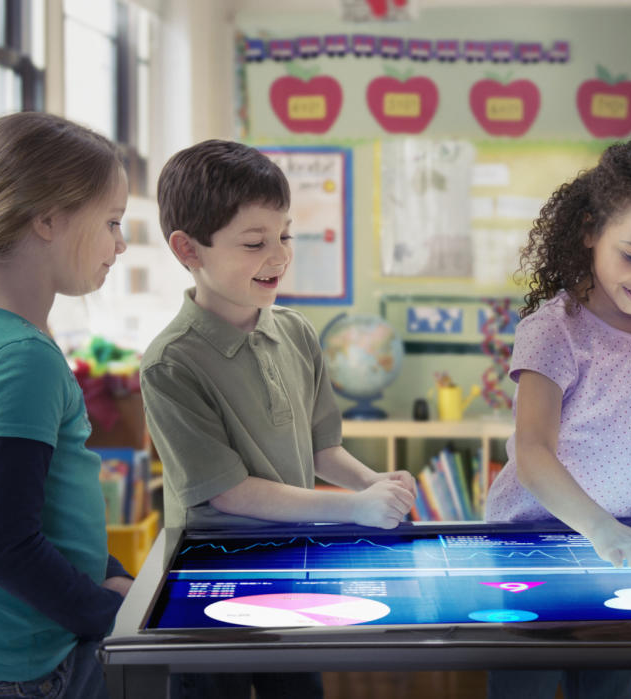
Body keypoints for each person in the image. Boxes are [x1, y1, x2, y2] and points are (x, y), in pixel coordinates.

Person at [143, 139, 416, 699]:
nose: (279, 255)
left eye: (285, 234)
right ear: (187, 249)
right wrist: (354, 508)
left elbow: (322, 451)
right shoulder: (171, 363)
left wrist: (374, 483)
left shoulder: (295, 332)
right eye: (254, 242)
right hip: (210, 582)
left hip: (294, 567)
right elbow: (228, 493)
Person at [482, 140, 631, 699]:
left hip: (621, 547)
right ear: (589, 231)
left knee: (607, 687)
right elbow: (534, 454)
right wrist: (600, 530)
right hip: (532, 544)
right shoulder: (555, 328)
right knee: (527, 687)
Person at [0, 111, 134, 698]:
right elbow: (7, 546)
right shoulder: (21, 358)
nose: (122, 243)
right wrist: (110, 617)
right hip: (25, 660)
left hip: (3, 643)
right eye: (111, 222)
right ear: (48, 218)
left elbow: (41, 504)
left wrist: (108, 574)